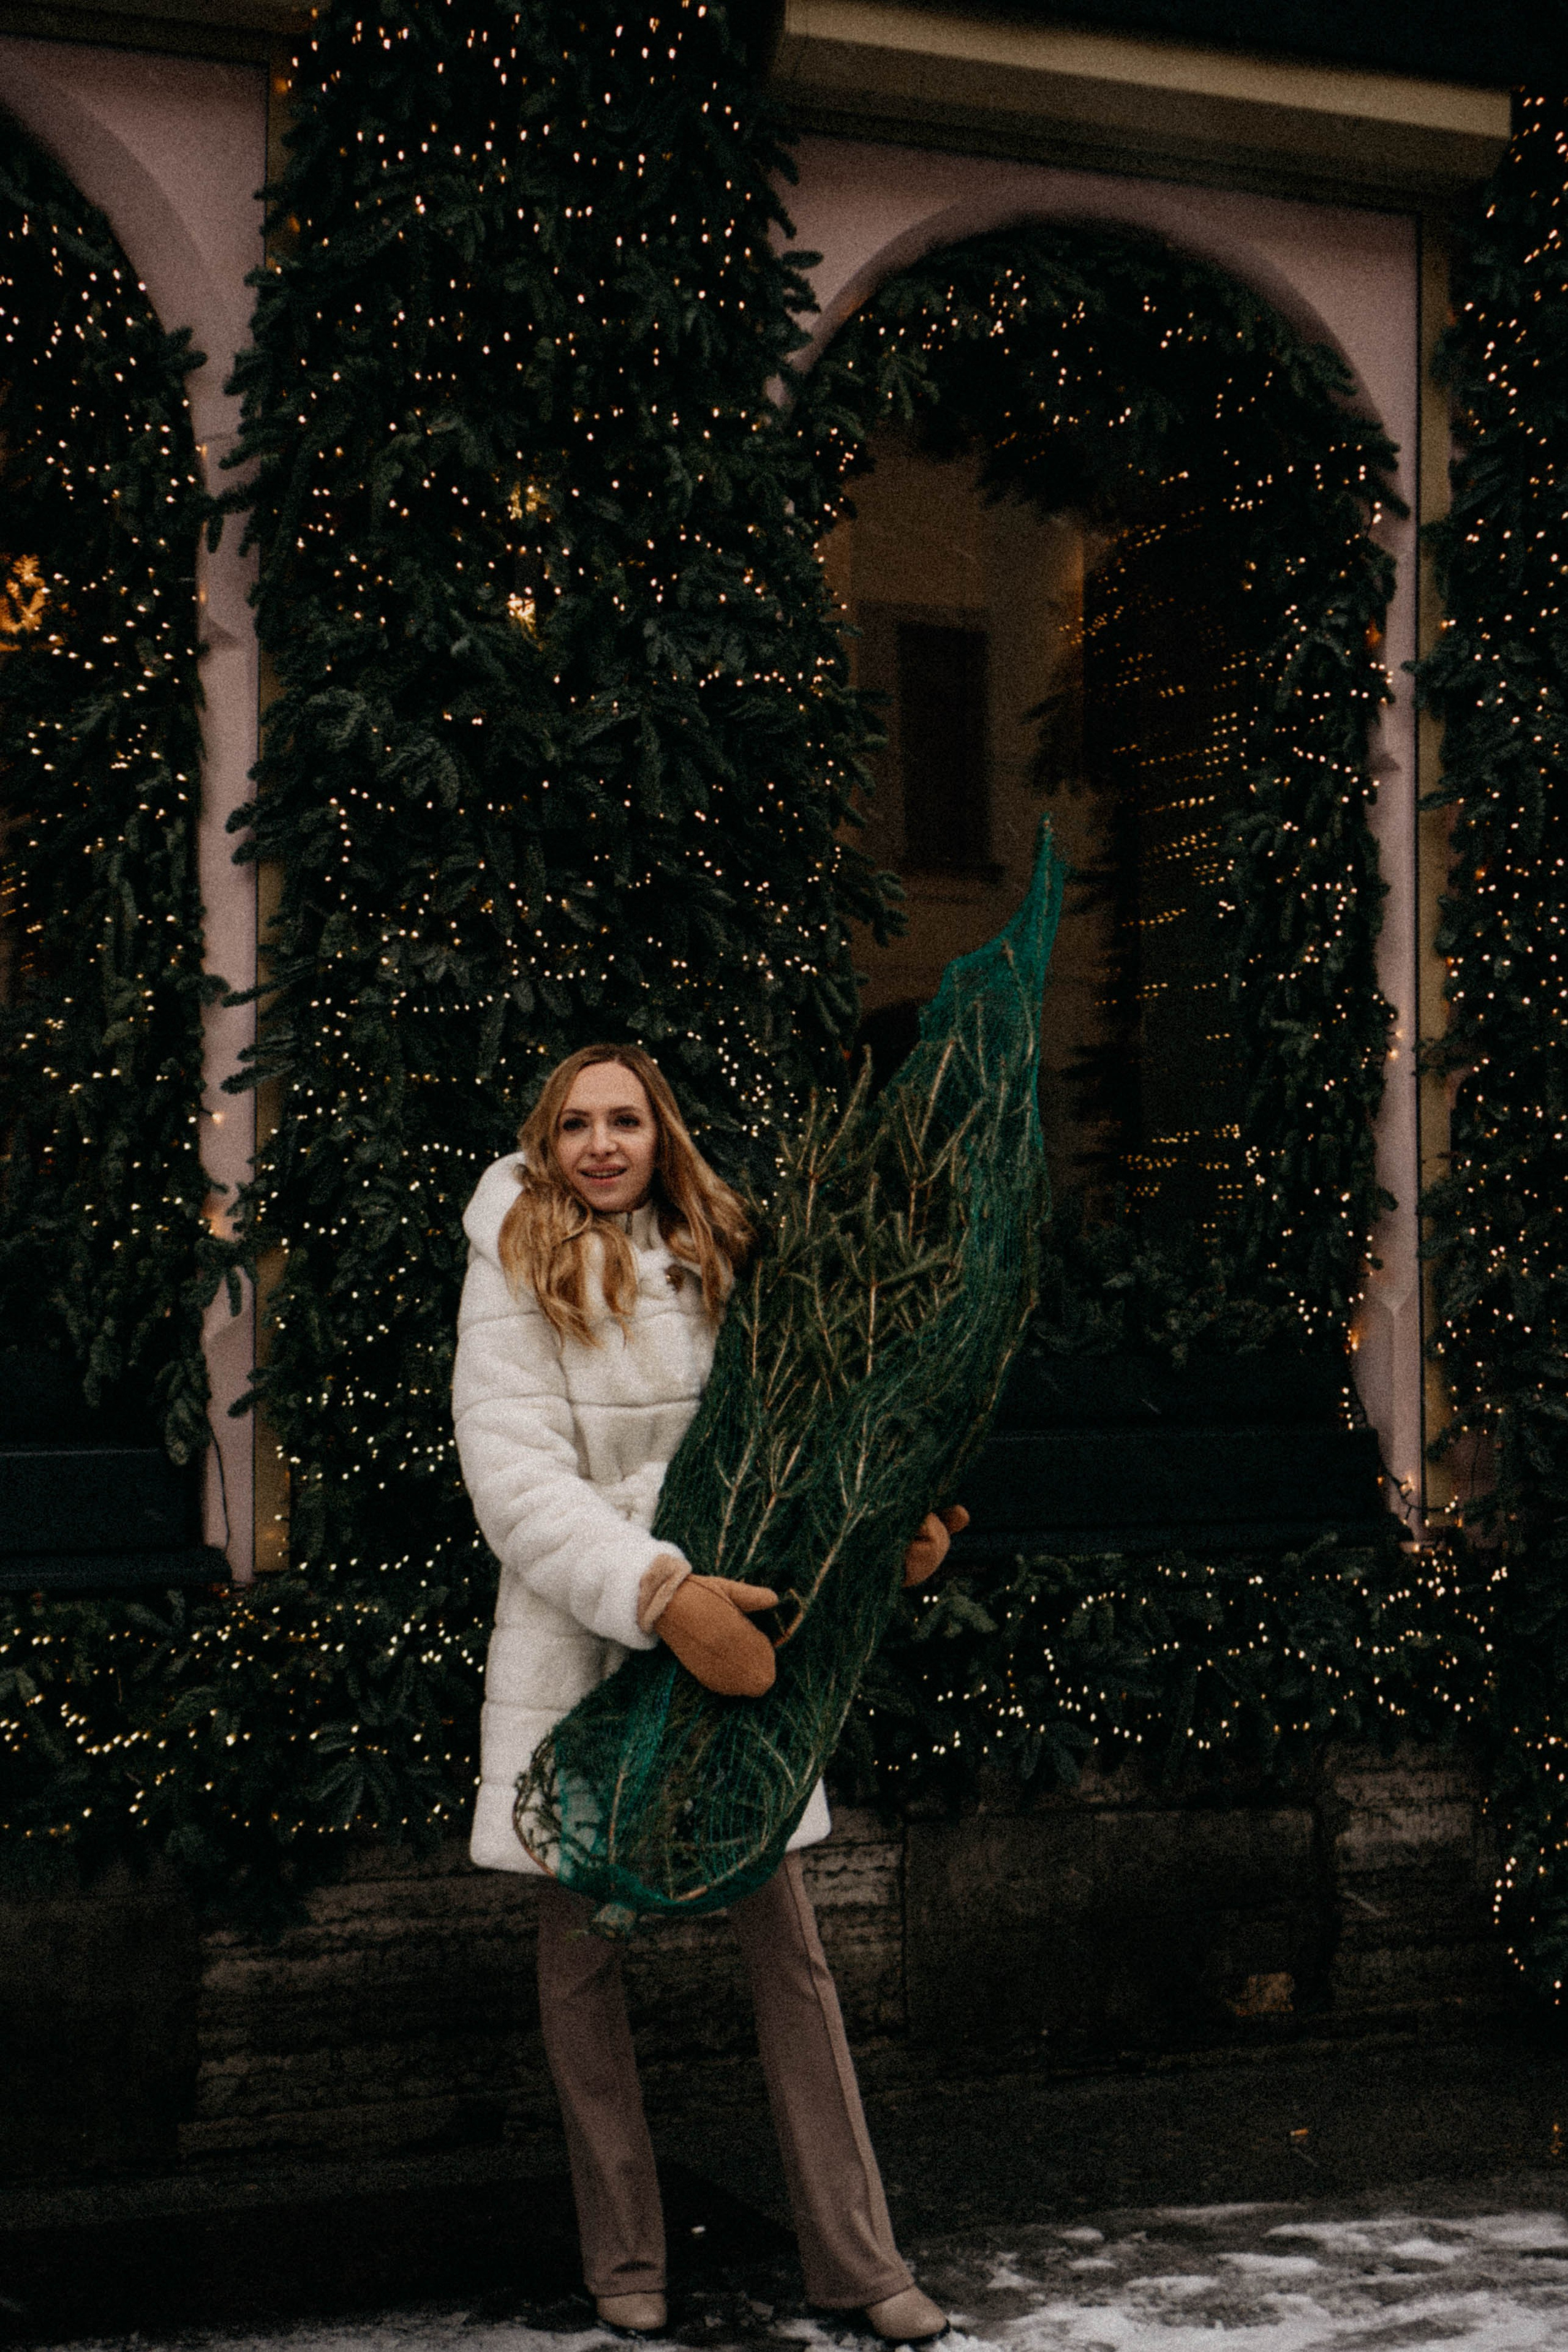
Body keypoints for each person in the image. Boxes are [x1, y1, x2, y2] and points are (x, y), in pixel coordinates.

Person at [453, 1042, 965, 2344]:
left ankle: (859, 2263)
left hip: (738, 1643)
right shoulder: (514, 1259)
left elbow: (793, 1429)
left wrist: (871, 1534)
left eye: (625, 1120)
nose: (602, 1145)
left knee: (790, 1959)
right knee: (581, 1970)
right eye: (577, 1123)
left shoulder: (716, 1250)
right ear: (547, 1139)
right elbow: (512, 1474)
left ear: (660, 1132)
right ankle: (624, 2255)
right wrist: (654, 1590)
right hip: (588, 1649)